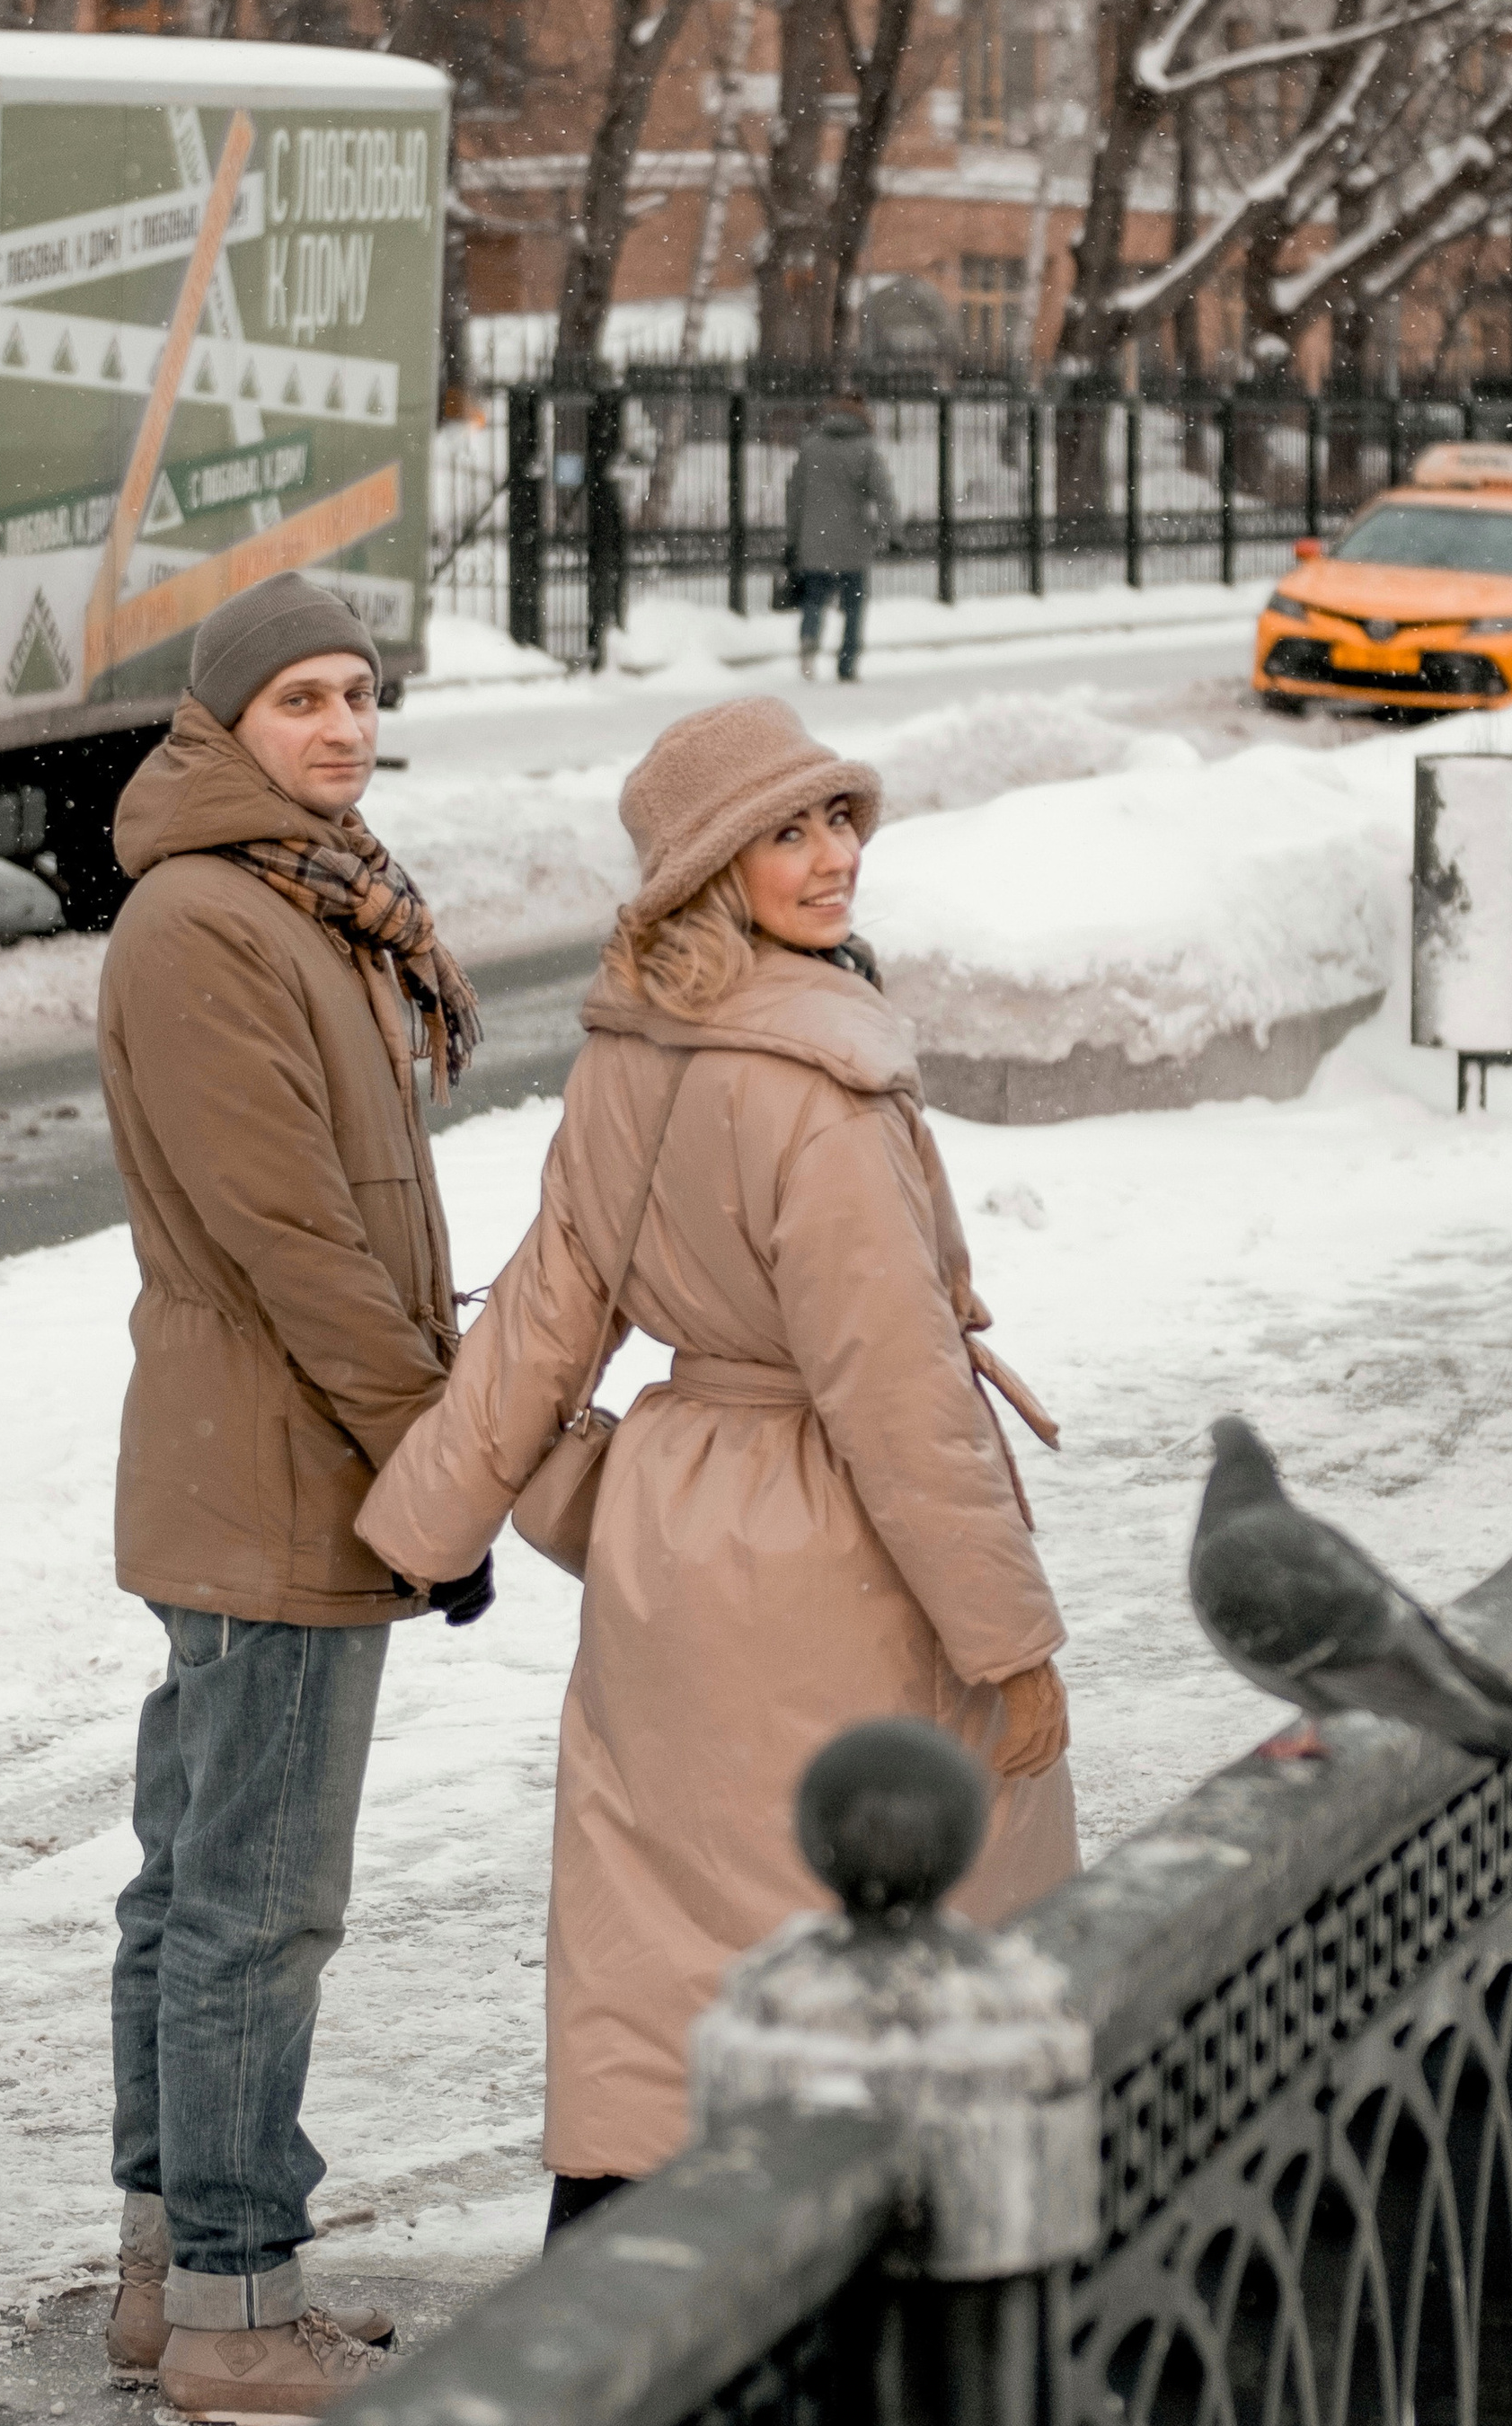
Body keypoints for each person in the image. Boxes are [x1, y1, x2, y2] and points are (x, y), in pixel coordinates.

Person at [359, 695, 1075, 2231]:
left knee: (656, 1965)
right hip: (837, 1566)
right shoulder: (814, 1082)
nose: (832, 860)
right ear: (706, 866)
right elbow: (898, 1401)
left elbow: (551, 1306)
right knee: (879, 1951)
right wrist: (1011, 1645)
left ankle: (612, 2311)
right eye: (785, 833)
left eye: (837, 822)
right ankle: (881, 2297)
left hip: (673, 1563)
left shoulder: (639, 1045)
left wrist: (433, 1515)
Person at [95, 573, 491, 2426]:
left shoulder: (302, 898)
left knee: (195, 1881)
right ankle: (238, 2311)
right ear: (224, 723)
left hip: (279, 1450)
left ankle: (170, 2273)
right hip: (275, 1462)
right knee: (254, 1901)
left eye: (359, 695)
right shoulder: (203, 921)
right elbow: (294, 1241)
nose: (340, 728)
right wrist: (438, 1458)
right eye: (301, 702)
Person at [783, 395, 898, 682]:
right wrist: (892, 532)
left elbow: (795, 497)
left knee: (813, 599)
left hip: (814, 540)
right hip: (853, 542)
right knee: (854, 605)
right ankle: (847, 662)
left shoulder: (810, 447)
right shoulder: (866, 449)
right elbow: (883, 494)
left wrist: (792, 539)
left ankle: (809, 642)